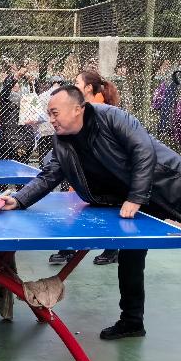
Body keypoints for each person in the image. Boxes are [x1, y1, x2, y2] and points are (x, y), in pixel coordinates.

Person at [0, 76, 181, 341]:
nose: (50, 119)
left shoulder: (112, 118)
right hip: (137, 201)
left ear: (77, 109)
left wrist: (136, 197)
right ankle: (132, 321)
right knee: (131, 257)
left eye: (54, 113)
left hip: (173, 188)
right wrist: (19, 199)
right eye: (49, 113)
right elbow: (49, 175)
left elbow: (143, 151)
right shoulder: (62, 142)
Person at [49, 71, 122, 267]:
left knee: (106, 213)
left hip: (101, 179)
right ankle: (69, 248)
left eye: (77, 82)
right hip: (81, 175)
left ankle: (110, 249)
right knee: (75, 209)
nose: (74, 85)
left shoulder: (100, 112)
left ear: (88, 88)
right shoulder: (76, 112)